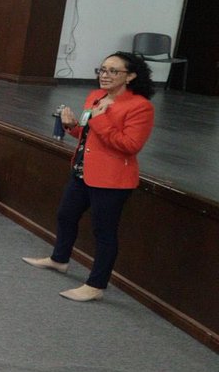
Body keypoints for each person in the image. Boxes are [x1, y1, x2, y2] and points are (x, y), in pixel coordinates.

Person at [23, 52, 156, 302]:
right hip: (83, 171)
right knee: (65, 215)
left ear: (131, 76)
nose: (105, 76)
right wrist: (71, 125)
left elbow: (130, 145)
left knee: (103, 232)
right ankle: (59, 259)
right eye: (102, 70)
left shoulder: (140, 106)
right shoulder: (96, 97)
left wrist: (101, 118)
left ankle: (96, 285)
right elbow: (86, 132)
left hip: (112, 180)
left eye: (113, 71)